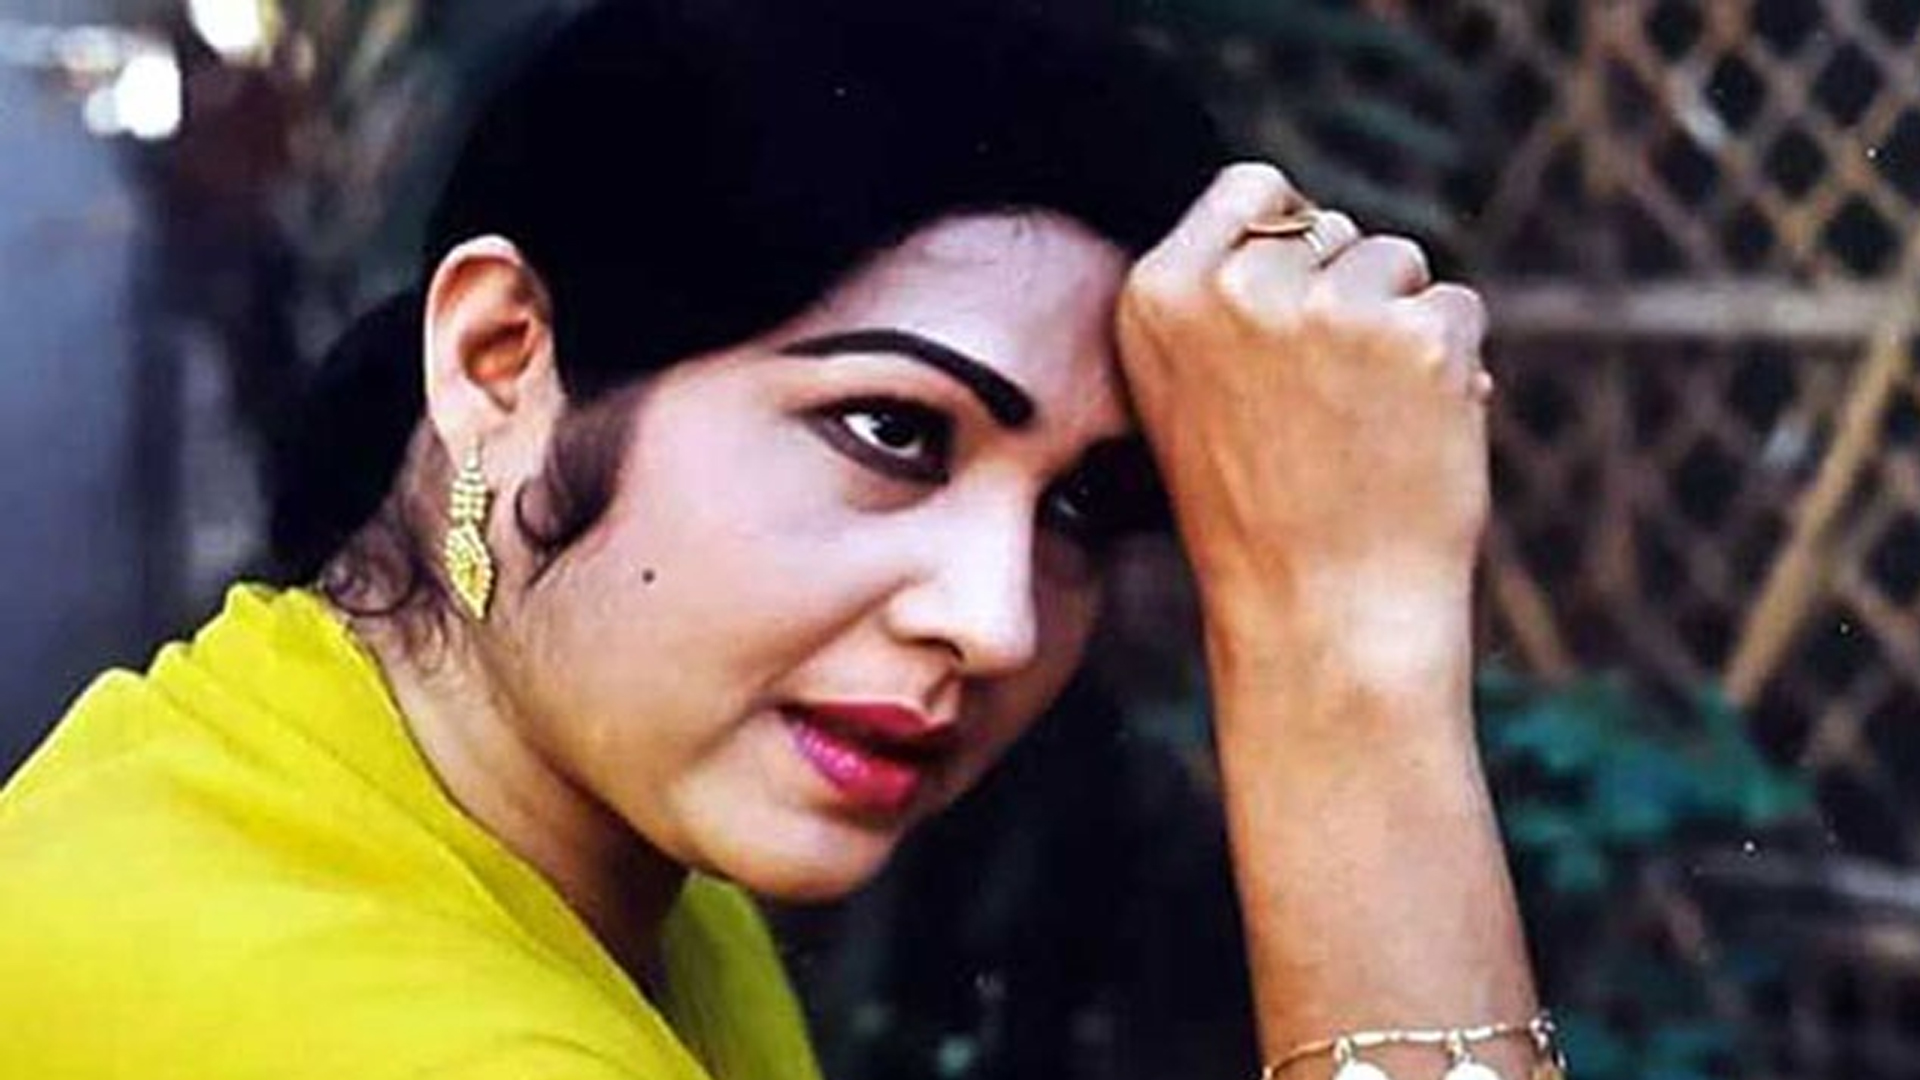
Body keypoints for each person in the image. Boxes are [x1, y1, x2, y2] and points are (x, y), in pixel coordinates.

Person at [0, 2, 1551, 1078]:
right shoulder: (358, 1023)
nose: (997, 621)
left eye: (1081, 505)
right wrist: (1342, 657)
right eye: (892, 430)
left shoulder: (347, 791)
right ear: (500, 360)